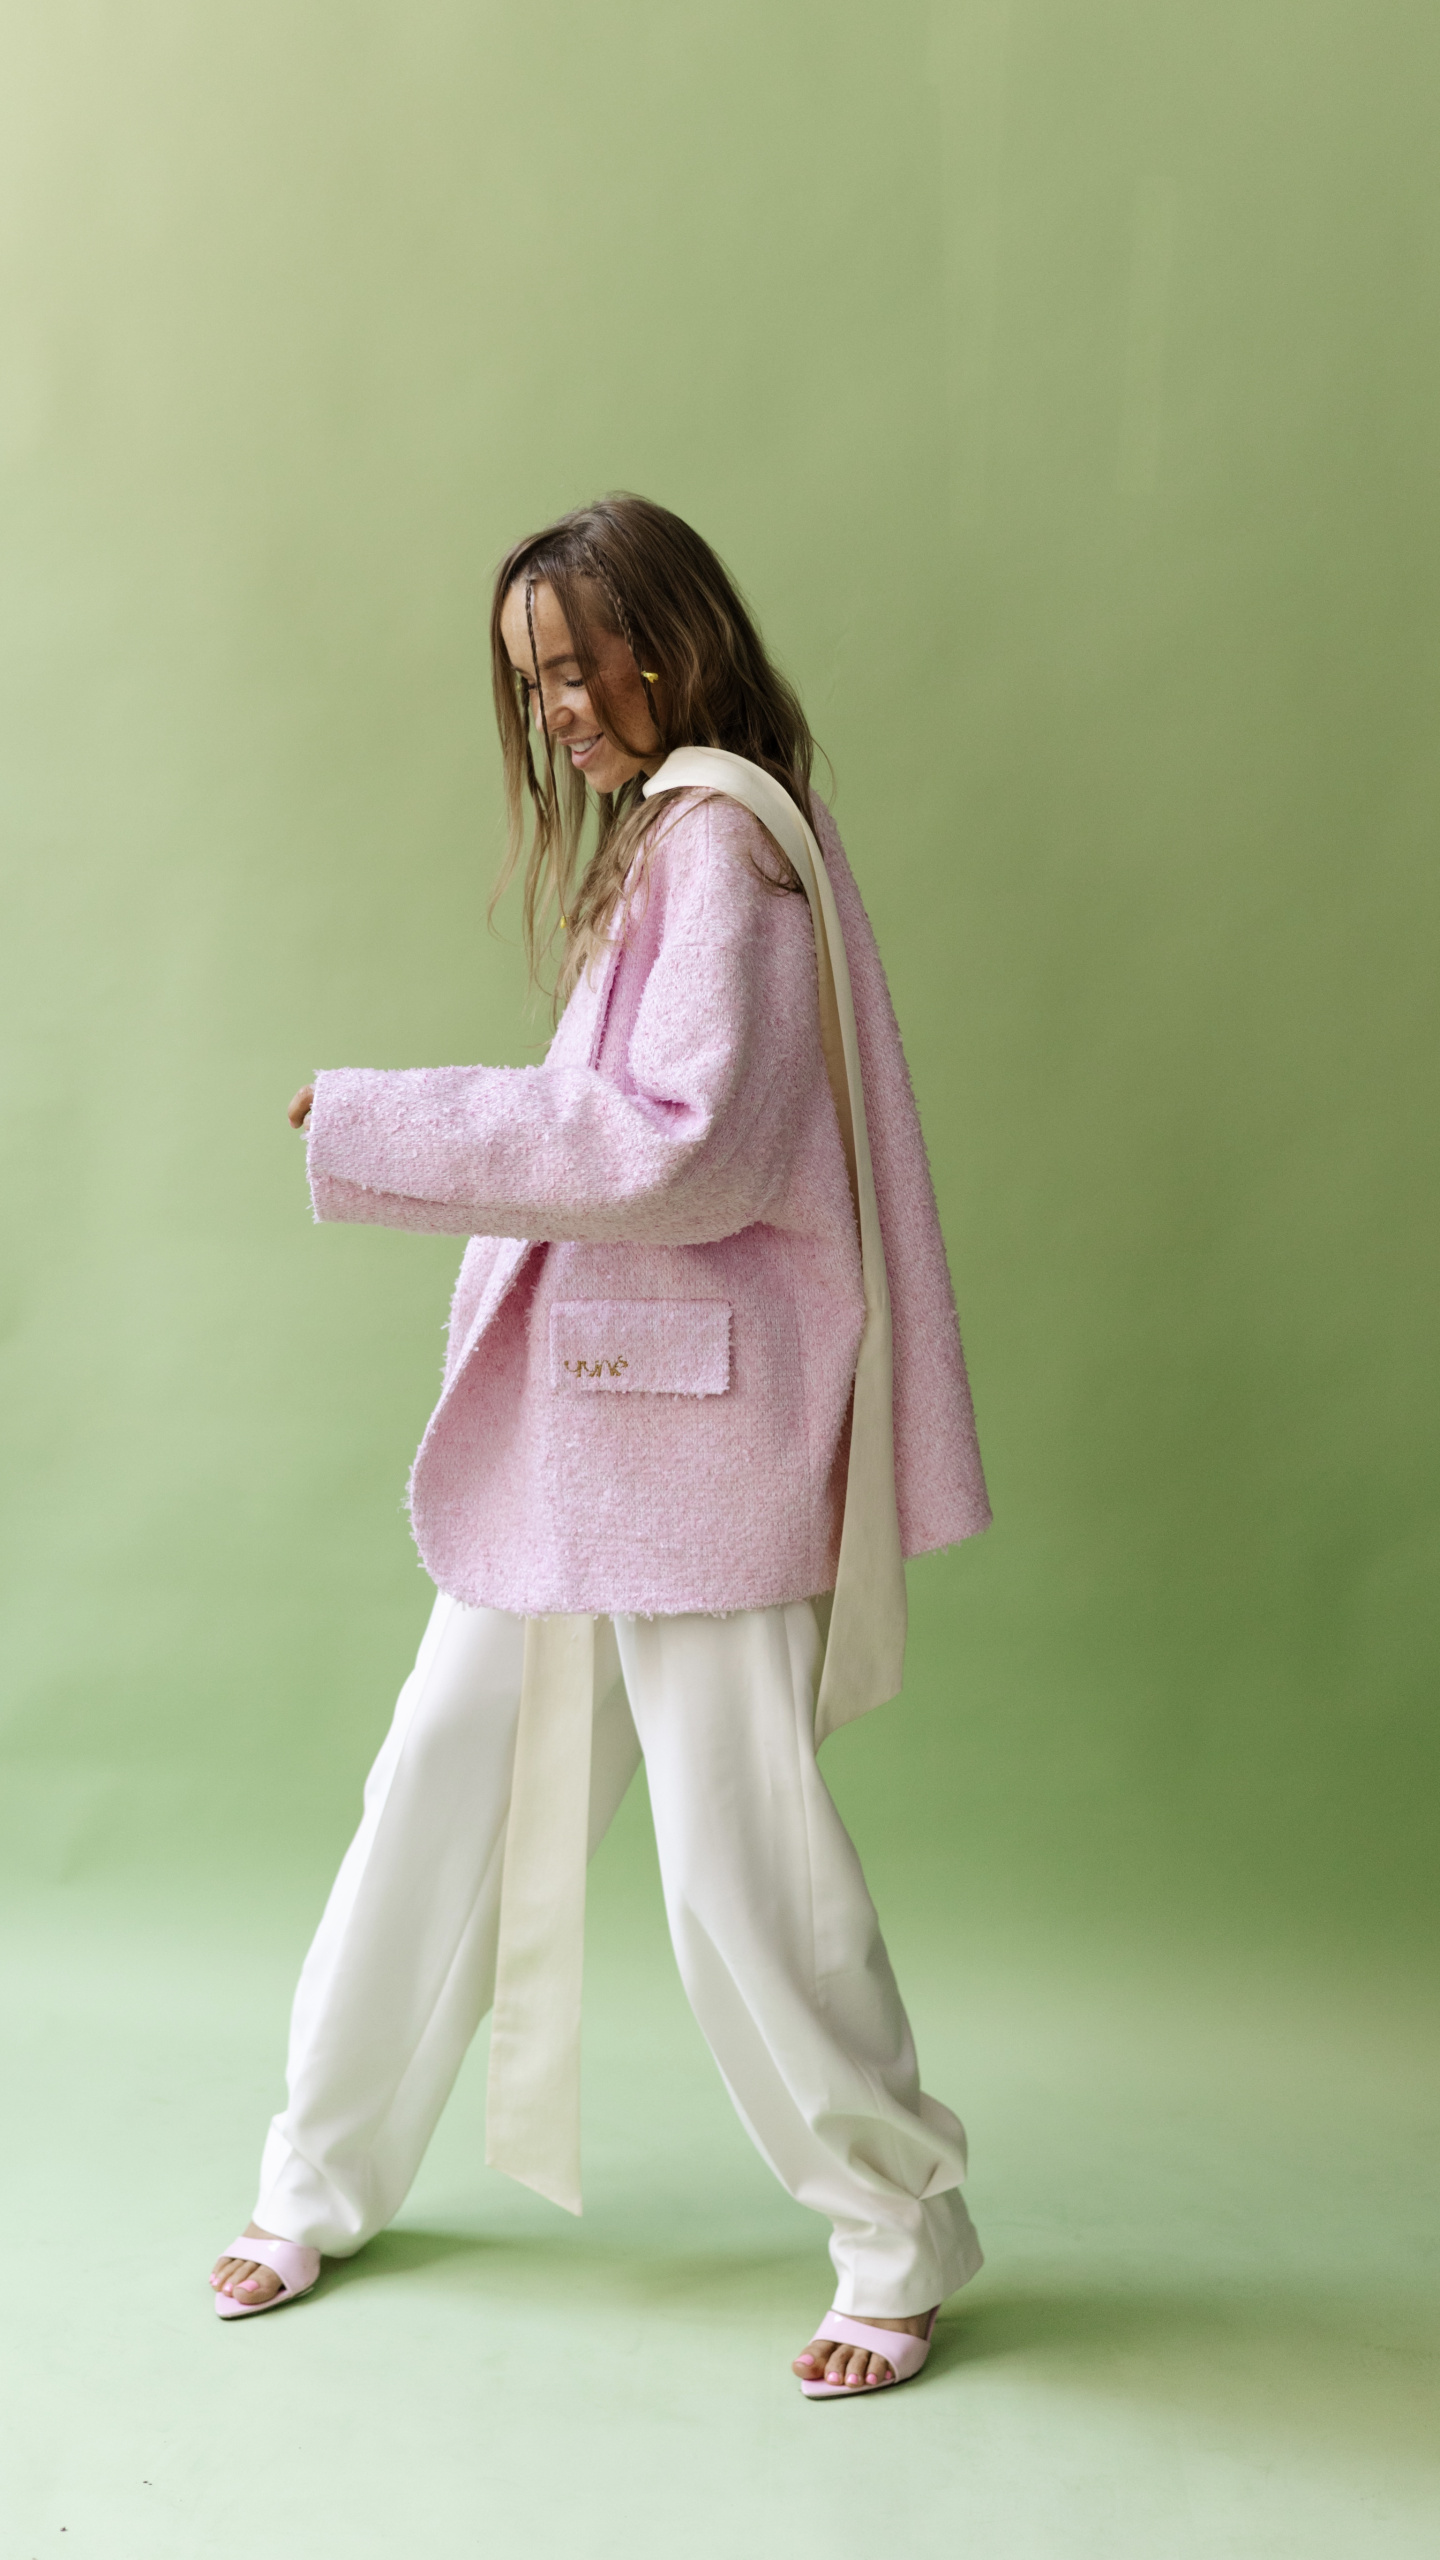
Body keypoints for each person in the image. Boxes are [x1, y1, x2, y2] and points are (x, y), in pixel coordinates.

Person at [209, 494, 991, 2396]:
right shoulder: (682, 835)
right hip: (593, 1429)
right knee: (437, 1786)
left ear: (671, 640)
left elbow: (687, 1149)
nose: (554, 711)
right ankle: (316, 2178)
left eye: (573, 668)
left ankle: (897, 2234)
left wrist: (377, 1124)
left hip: (694, 1446)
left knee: (743, 1858)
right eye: (530, 685)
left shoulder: (724, 844)